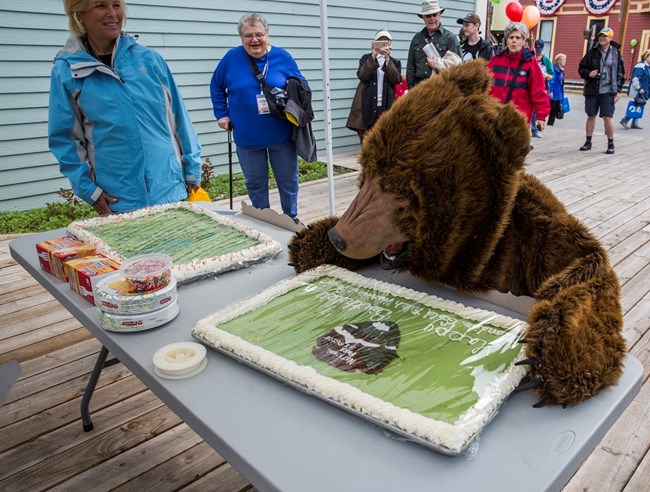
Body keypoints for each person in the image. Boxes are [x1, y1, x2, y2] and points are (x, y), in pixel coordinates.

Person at [48, 0, 202, 215]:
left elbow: (179, 118)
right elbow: (65, 138)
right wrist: (88, 189)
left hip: (169, 189)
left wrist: (192, 168)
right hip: (119, 199)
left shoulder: (149, 59)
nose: (112, 13)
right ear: (79, 14)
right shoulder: (67, 70)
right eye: (101, 5)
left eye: (116, 5)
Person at [210, 13, 307, 222]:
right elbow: (216, 85)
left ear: (267, 35)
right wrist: (222, 114)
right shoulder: (231, 58)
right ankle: (262, 218)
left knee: (288, 179)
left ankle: (291, 218)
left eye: (259, 35)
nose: (254, 40)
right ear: (241, 38)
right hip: (248, 136)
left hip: (281, 134)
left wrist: (292, 92)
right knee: (255, 180)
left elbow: (301, 83)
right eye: (248, 35)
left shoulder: (283, 57)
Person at [487, 22, 549, 134]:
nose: (514, 40)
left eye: (518, 38)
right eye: (511, 37)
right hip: (495, 116)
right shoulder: (496, 60)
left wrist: (541, 116)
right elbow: (486, 86)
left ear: (524, 41)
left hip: (519, 119)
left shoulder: (530, 63)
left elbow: (539, 91)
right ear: (507, 40)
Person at [346, 29, 402, 143]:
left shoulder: (394, 62)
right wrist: (374, 56)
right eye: (380, 41)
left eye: (386, 41)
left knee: (384, 139)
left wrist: (387, 59)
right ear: (374, 42)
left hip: (386, 106)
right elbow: (362, 75)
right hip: (367, 105)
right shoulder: (366, 58)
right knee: (366, 139)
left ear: (390, 44)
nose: (383, 44)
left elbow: (396, 79)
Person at [577, 27, 625, 155]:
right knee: (591, 115)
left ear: (610, 38)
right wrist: (589, 73)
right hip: (592, 89)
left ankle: (610, 143)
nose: (602, 38)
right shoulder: (592, 51)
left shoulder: (616, 53)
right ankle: (588, 141)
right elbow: (581, 68)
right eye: (601, 36)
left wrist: (618, 90)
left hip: (608, 90)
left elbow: (621, 73)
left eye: (605, 36)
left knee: (607, 116)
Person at [406, 0, 462, 89]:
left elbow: (458, 68)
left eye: (435, 15)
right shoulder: (416, 39)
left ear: (440, 15)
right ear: (423, 18)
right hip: (419, 90)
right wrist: (411, 90)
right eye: (428, 15)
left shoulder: (450, 38)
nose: (432, 18)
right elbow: (411, 68)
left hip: (442, 90)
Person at [620, 49, 650, 130]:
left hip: (644, 90)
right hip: (639, 90)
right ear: (646, 56)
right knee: (636, 105)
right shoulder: (641, 66)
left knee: (640, 104)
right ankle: (624, 120)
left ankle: (634, 123)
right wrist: (639, 88)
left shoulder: (647, 67)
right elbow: (636, 78)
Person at [530, 39, 553, 137]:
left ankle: (535, 129)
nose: (538, 50)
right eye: (537, 48)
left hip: (543, 86)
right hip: (531, 85)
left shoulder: (546, 60)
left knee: (537, 108)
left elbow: (552, 75)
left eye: (540, 48)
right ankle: (529, 127)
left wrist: (546, 76)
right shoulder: (531, 57)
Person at [547, 53, 567, 126]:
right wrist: (551, 91)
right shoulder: (555, 70)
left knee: (555, 109)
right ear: (559, 61)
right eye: (564, 59)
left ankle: (550, 123)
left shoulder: (561, 70)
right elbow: (551, 81)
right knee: (552, 109)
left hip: (558, 93)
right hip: (554, 93)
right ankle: (549, 123)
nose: (565, 61)